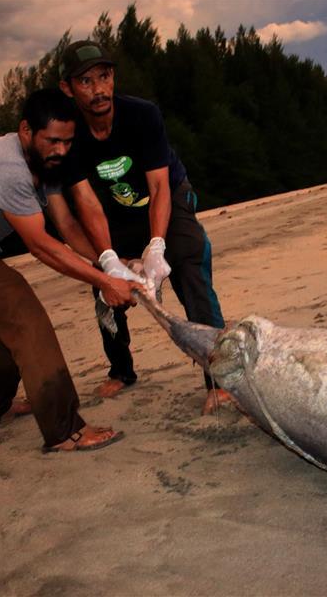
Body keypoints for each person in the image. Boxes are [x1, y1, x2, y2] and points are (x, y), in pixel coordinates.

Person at [0, 88, 143, 452]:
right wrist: (104, 282)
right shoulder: (8, 168)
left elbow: (66, 226)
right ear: (26, 130)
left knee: (4, 317)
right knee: (24, 314)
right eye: (53, 140)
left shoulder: (45, 161)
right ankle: (64, 430)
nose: (61, 150)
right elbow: (39, 245)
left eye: (68, 142)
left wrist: (111, 262)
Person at [58, 40, 232, 413]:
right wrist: (108, 259)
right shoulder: (69, 136)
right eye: (85, 81)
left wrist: (156, 245)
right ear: (68, 88)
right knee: (105, 283)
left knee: (187, 263)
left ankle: (218, 379)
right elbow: (86, 203)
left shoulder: (142, 114)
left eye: (104, 76)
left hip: (168, 193)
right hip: (117, 209)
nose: (99, 89)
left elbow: (159, 186)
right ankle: (121, 369)